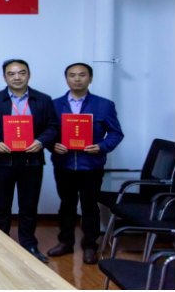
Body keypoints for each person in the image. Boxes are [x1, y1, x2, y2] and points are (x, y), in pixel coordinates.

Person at [0, 59, 59, 263]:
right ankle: (1, 245)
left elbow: (53, 126)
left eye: (21, 73)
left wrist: (40, 142)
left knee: (29, 206)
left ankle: (29, 245)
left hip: (31, 160)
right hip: (3, 160)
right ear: (5, 77)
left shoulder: (43, 100)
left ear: (28, 75)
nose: (17, 77)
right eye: (11, 73)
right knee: (1, 206)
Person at [47, 63, 124, 265]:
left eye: (82, 75)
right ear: (66, 79)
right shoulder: (54, 105)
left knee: (89, 206)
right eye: (72, 75)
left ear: (90, 78)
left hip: (91, 165)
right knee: (66, 205)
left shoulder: (104, 105)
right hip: (63, 165)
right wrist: (52, 145)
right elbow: (46, 133)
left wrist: (101, 146)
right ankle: (65, 242)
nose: (77, 79)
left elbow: (116, 133)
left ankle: (90, 246)